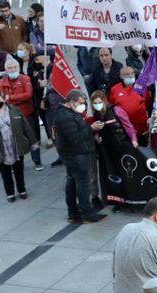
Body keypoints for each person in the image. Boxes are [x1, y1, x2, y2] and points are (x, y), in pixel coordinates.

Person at [51, 89, 106, 223]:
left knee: (72, 181)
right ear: (71, 102)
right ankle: (87, 214)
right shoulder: (66, 116)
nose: (83, 106)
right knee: (82, 183)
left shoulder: (68, 113)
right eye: (81, 103)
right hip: (76, 155)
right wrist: (91, 128)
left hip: (73, 154)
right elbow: (75, 138)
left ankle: (73, 212)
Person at [0, 87, 36, 201]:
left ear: (4, 99)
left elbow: (25, 126)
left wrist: (33, 142)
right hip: (0, 148)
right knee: (5, 173)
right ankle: (9, 193)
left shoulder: (15, 110)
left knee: (19, 170)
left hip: (16, 145)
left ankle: (22, 190)